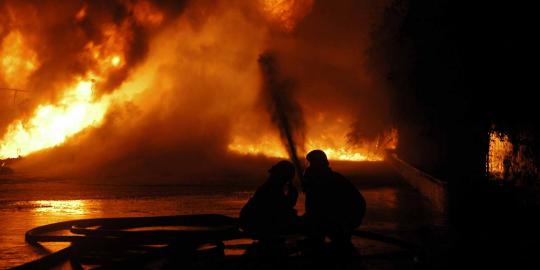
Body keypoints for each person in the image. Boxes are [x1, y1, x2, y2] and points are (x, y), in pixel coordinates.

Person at [302, 149, 366, 255]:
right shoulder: (322, 179)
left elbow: (322, 206)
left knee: (340, 247)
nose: (309, 167)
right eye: (310, 163)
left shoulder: (329, 181)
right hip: (338, 218)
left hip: (344, 219)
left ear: (320, 164)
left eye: (313, 163)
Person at [239, 160, 299, 245]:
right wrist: (292, 196)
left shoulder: (272, 186)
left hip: (252, 221)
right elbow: (280, 210)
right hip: (256, 223)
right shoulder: (271, 188)